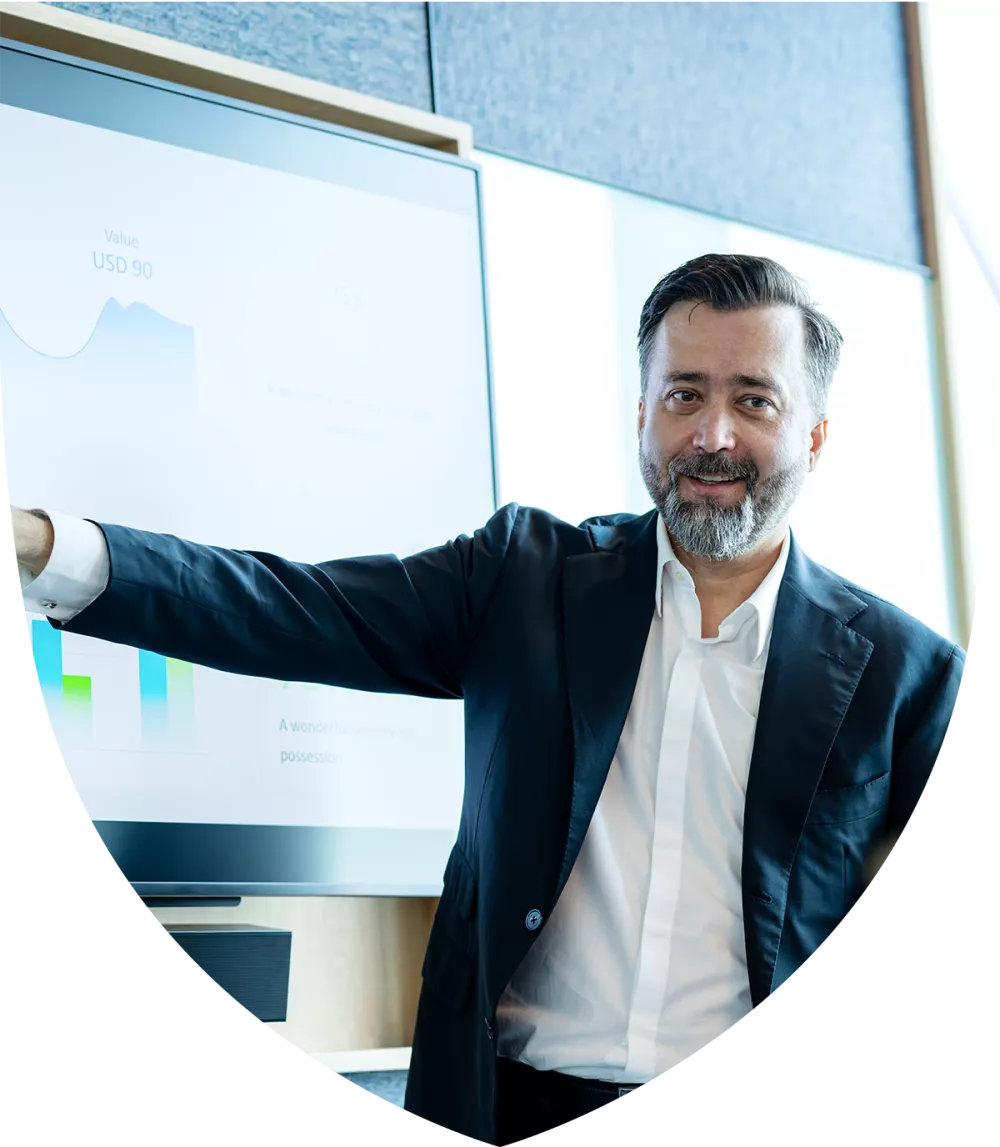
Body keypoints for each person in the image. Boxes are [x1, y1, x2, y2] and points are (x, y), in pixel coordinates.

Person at [11, 254, 966, 1145]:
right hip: (512, 1110)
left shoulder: (909, 675)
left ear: (815, 434)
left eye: (754, 400)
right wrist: (54, 548)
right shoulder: (524, 579)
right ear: (642, 415)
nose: (712, 435)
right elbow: (292, 608)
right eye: (685, 395)